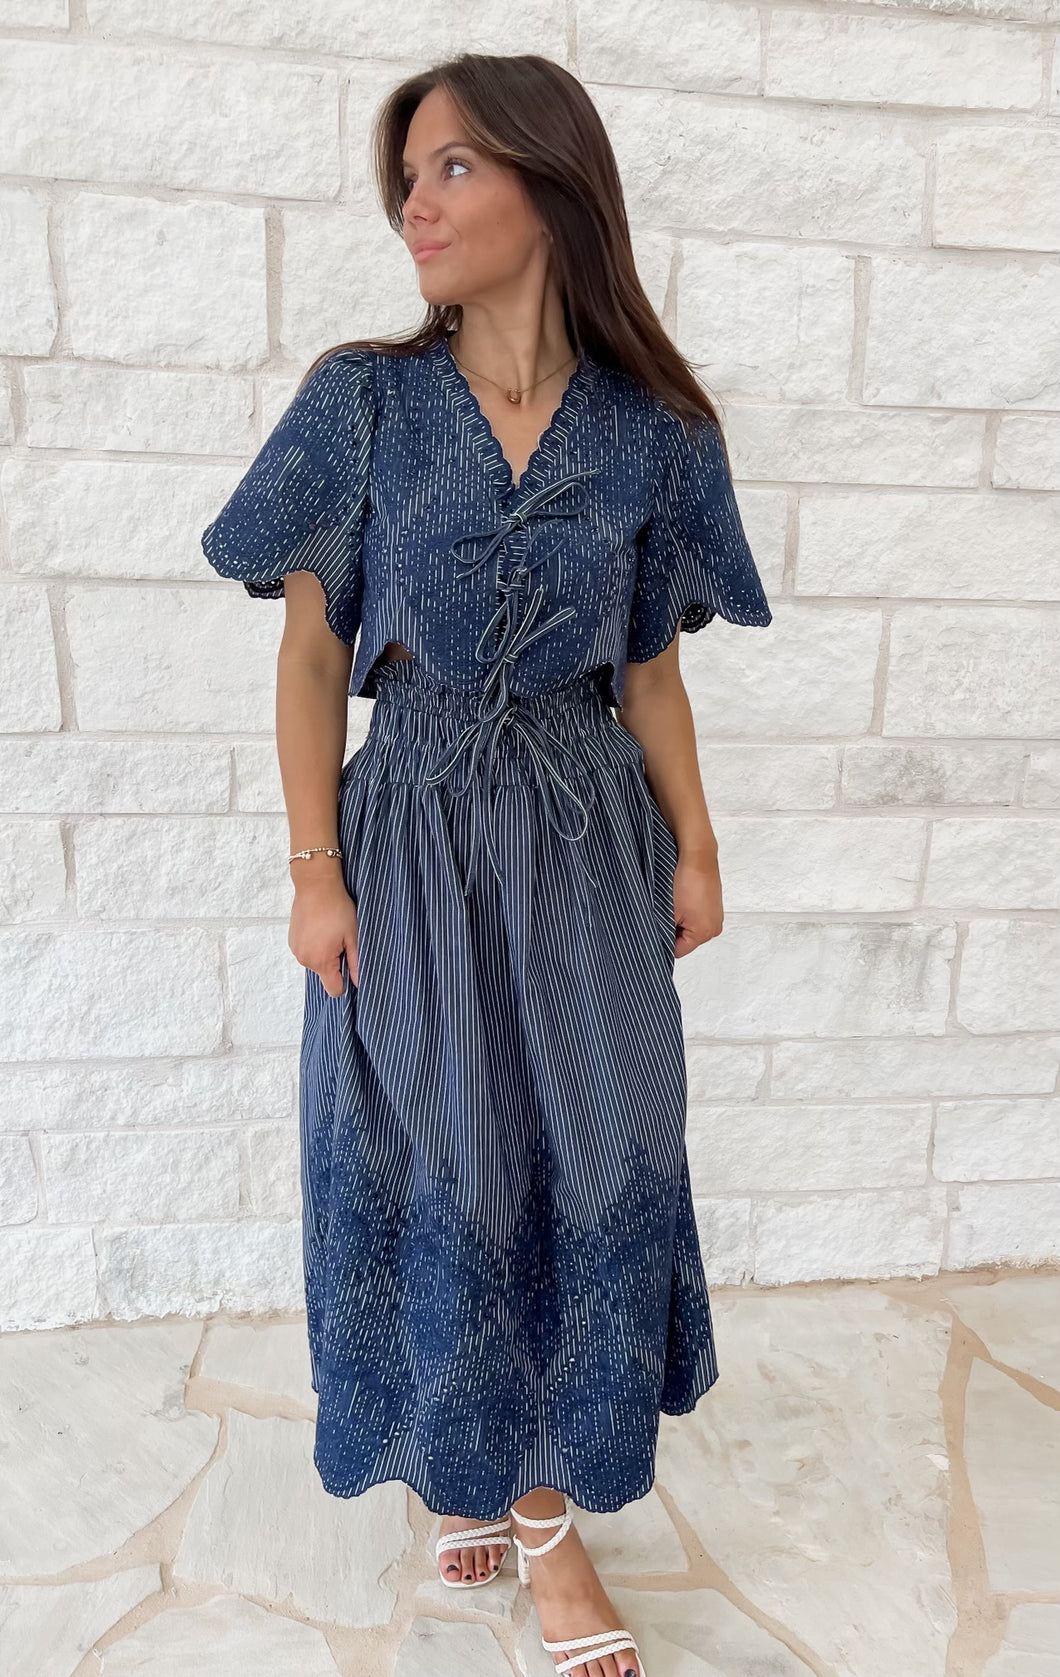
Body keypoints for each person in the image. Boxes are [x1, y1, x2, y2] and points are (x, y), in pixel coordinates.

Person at [201, 51, 772, 1677]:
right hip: (416, 832)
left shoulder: (658, 434)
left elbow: (652, 671)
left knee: (594, 1156)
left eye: (452, 167)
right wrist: (314, 870)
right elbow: (315, 658)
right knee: (448, 1160)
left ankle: (517, 1477)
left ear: (551, 180)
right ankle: (528, 1511)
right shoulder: (363, 403)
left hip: (588, 837)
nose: (417, 205)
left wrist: (700, 846)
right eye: (407, 178)